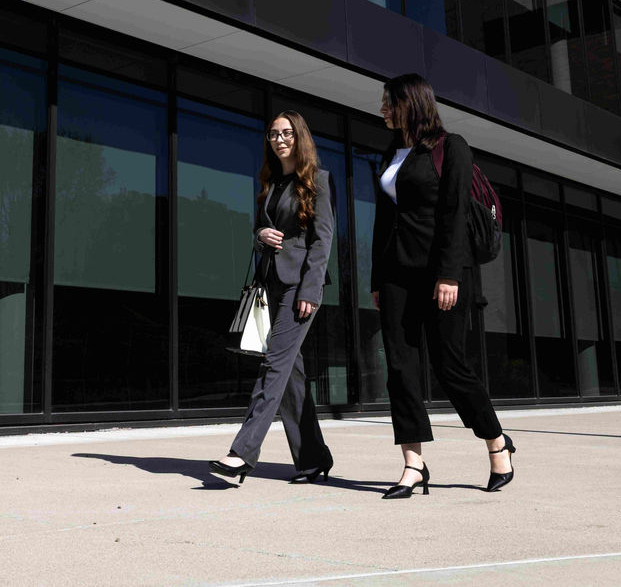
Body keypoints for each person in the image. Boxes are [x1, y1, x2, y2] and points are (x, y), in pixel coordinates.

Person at [370, 74, 516, 498]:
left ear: (410, 104)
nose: (382, 110)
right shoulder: (391, 152)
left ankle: (496, 442)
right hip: (397, 273)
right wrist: (377, 279)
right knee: (400, 366)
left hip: (442, 273)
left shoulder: (451, 147)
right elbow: (384, 222)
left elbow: (454, 213)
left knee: (450, 366)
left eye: (388, 103)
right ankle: (413, 465)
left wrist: (449, 274)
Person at [209, 111, 336, 485]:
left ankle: (241, 454)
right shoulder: (269, 182)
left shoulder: (319, 181)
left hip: (300, 288)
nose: (279, 139)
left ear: (299, 137)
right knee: (289, 376)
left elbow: (322, 239)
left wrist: (311, 290)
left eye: (286, 133)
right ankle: (314, 459)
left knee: (273, 367)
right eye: (273, 133)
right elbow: (261, 228)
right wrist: (261, 233)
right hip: (271, 284)